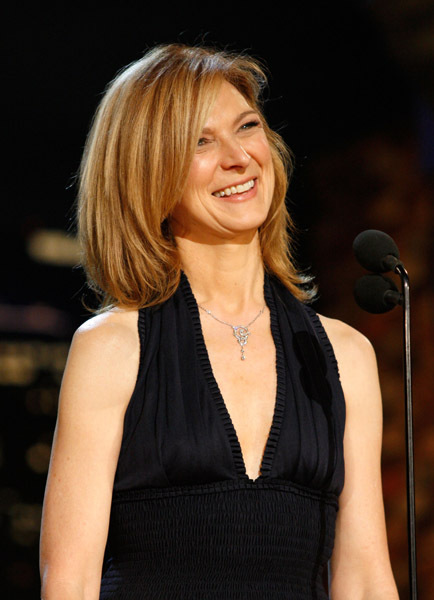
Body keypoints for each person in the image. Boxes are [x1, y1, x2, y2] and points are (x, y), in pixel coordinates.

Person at [39, 44, 399, 599]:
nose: (238, 157)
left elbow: (366, 578)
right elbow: (69, 581)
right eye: (200, 142)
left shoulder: (344, 355)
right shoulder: (112, 348)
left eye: (247, 127)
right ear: (147, 174)